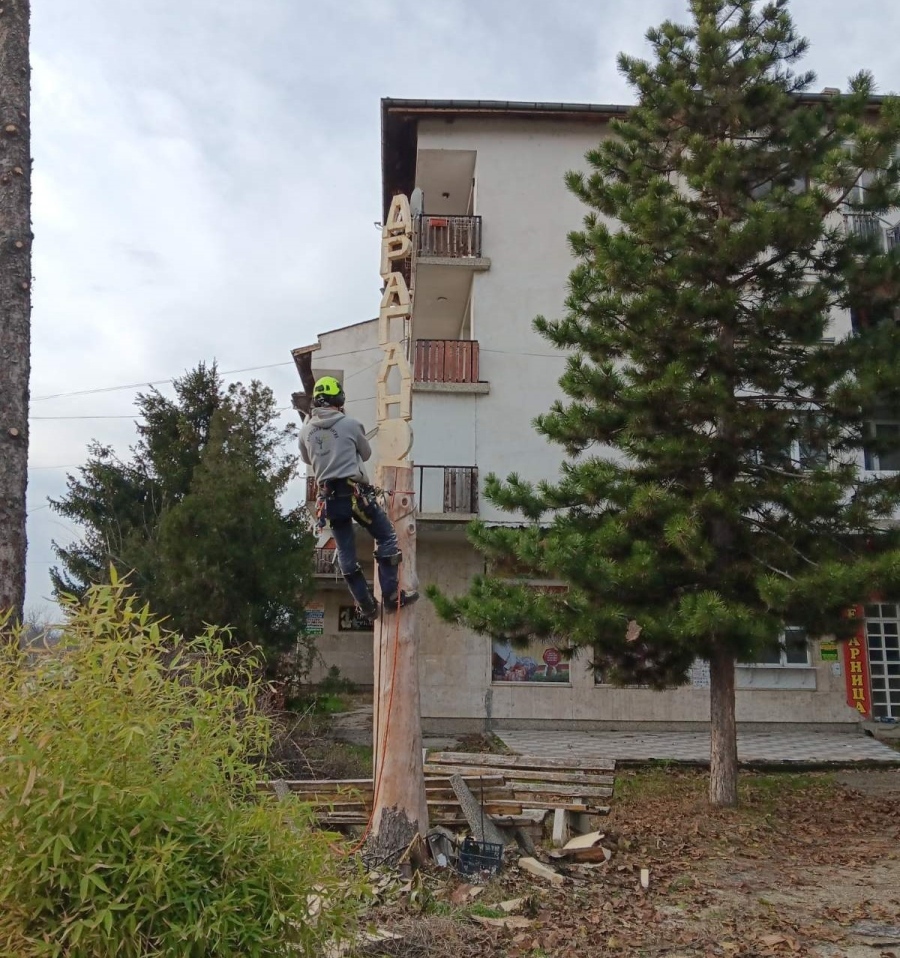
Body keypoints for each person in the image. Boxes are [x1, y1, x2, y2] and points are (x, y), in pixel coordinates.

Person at [299, 375, 418, 618]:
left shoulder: (305, 432)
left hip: (329, 501)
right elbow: (365, 453)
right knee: (386, 537)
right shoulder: (350, 424)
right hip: (355, 495)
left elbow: (307, 458)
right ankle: (391, 597)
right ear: (337, 399)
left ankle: (366, 606)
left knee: (346, 554)